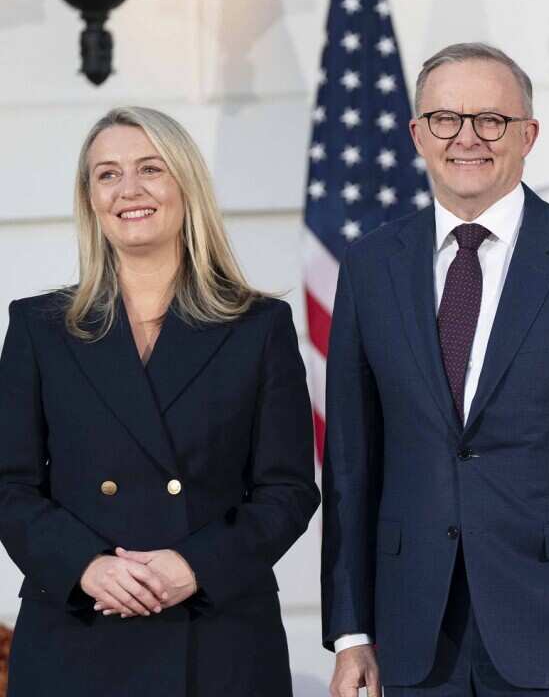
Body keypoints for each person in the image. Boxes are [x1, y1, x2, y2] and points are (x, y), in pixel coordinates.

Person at [321, 43, 549, 697]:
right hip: (411, 632)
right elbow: (349, 460)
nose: (467, 139)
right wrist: (350, 631)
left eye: (491, 120)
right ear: (418, 134)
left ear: (528, 134)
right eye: (446, 120)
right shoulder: (370, 267)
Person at [0, 106, 320, 696]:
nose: (129, 190)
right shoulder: (38, 327)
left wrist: (196, 566)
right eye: (107, 174)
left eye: (151, 168)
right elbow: (9, 485)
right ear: (90, 199)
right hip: (76, 635)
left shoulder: (258, 327)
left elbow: (289, 490)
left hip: (216, 638)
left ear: (184, 185)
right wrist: (86, 567)